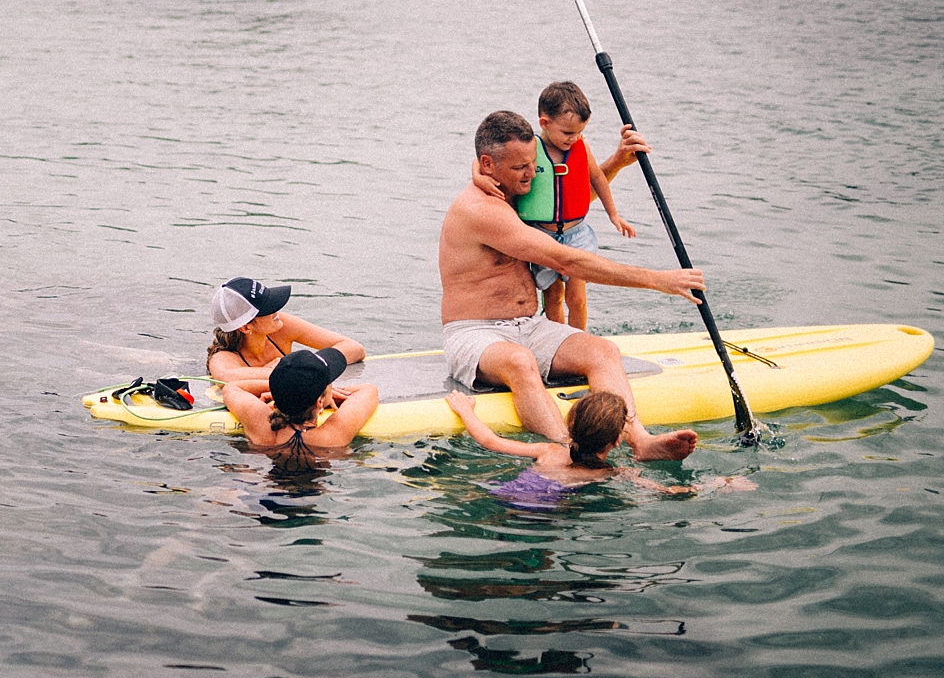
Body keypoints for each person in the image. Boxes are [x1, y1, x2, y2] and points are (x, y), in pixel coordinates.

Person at [439, 110, 704, 462]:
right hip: (475, 333)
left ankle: (640, 440)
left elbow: (566, 208)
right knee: (520, 362)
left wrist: (617, 163)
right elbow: (567, 260)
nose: (532, 173)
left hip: (530, 326)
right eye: (520, 168)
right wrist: (656, 280)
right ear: (487, 164)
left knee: (603, 351)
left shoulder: (516, 189)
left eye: (533, 163)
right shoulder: (479, 209)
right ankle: (568, 450)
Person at [445, 390, 753, 506]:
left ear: (570, 427)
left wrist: (465, 409)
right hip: (543, 511)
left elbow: (490, 441)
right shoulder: (615, 473)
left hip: (501, 492)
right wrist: (721, 483)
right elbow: (667, 491)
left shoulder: (549, 451)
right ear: (617, 440)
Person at [513, 81, 636, 330]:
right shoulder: (530, 150)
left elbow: (598, 178)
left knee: (577, 298)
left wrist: (614, 215)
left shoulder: (582, 147)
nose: (574, 138)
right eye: (568, 133)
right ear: (545, 123)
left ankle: (580, 341)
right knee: (553, 297)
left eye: (579, 132)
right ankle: (559, 344)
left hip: (576, 234)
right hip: (542, 235)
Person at [221, 348, 380, 461]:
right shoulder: (333, 435)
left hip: (260, 486)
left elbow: (232, 388)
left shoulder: (258, 422)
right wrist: (328, 396)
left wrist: (282, 389)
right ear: (319, 402)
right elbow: (369, 390)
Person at [206, 276, 367, 385]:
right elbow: (226, 378)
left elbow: (355, 349)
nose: (276, 310)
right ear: (246, 327)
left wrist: (300, 365)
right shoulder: (223, 358)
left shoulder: (282, 325)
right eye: (267, 308)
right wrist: (287, 370)